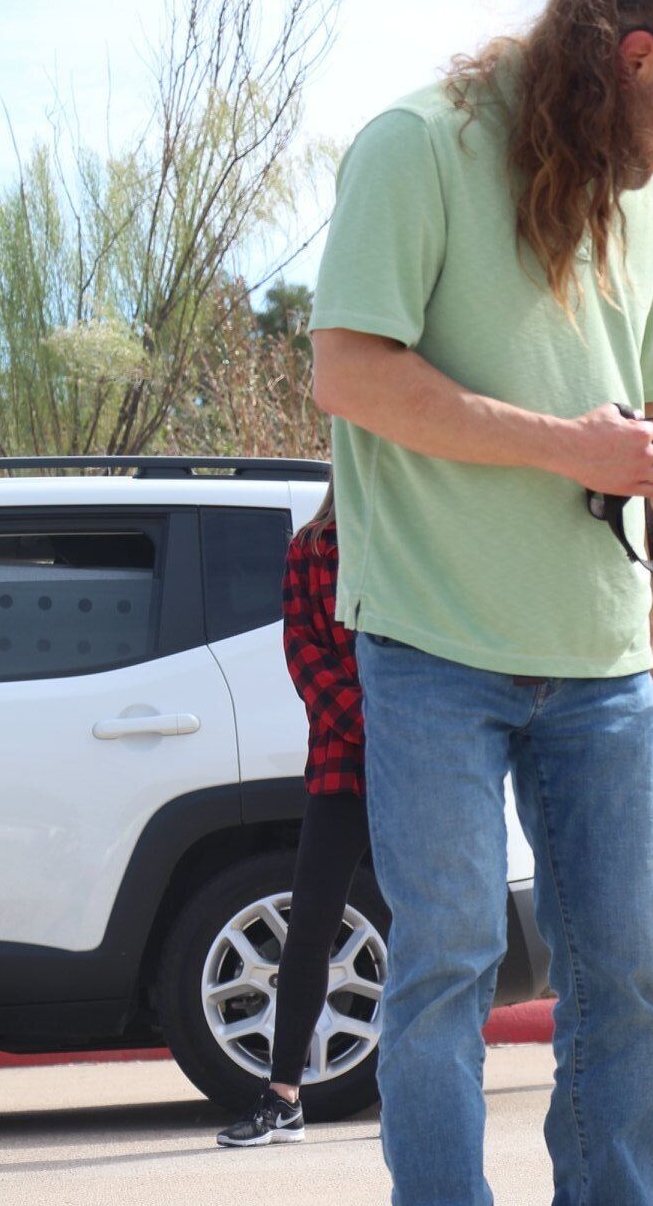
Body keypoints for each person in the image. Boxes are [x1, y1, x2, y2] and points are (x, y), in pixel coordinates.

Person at [307, 0, 653, 1204]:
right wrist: (567, 445)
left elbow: (636, 414)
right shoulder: (417, 146)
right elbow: (350, 375)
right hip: (434, 645)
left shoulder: (647, 198)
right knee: (446, 966)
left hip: (604, 658)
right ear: (632, 55)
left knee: (619, 981)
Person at [216, 478, 370, 1147]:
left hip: (421, 769)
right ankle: (283, 1097)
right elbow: (303, 655)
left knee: (434, 926)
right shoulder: (311, 548)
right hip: (342, 762)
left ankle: (433, 1091)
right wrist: (379, 724)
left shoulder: (414, 541)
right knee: (309, 923)